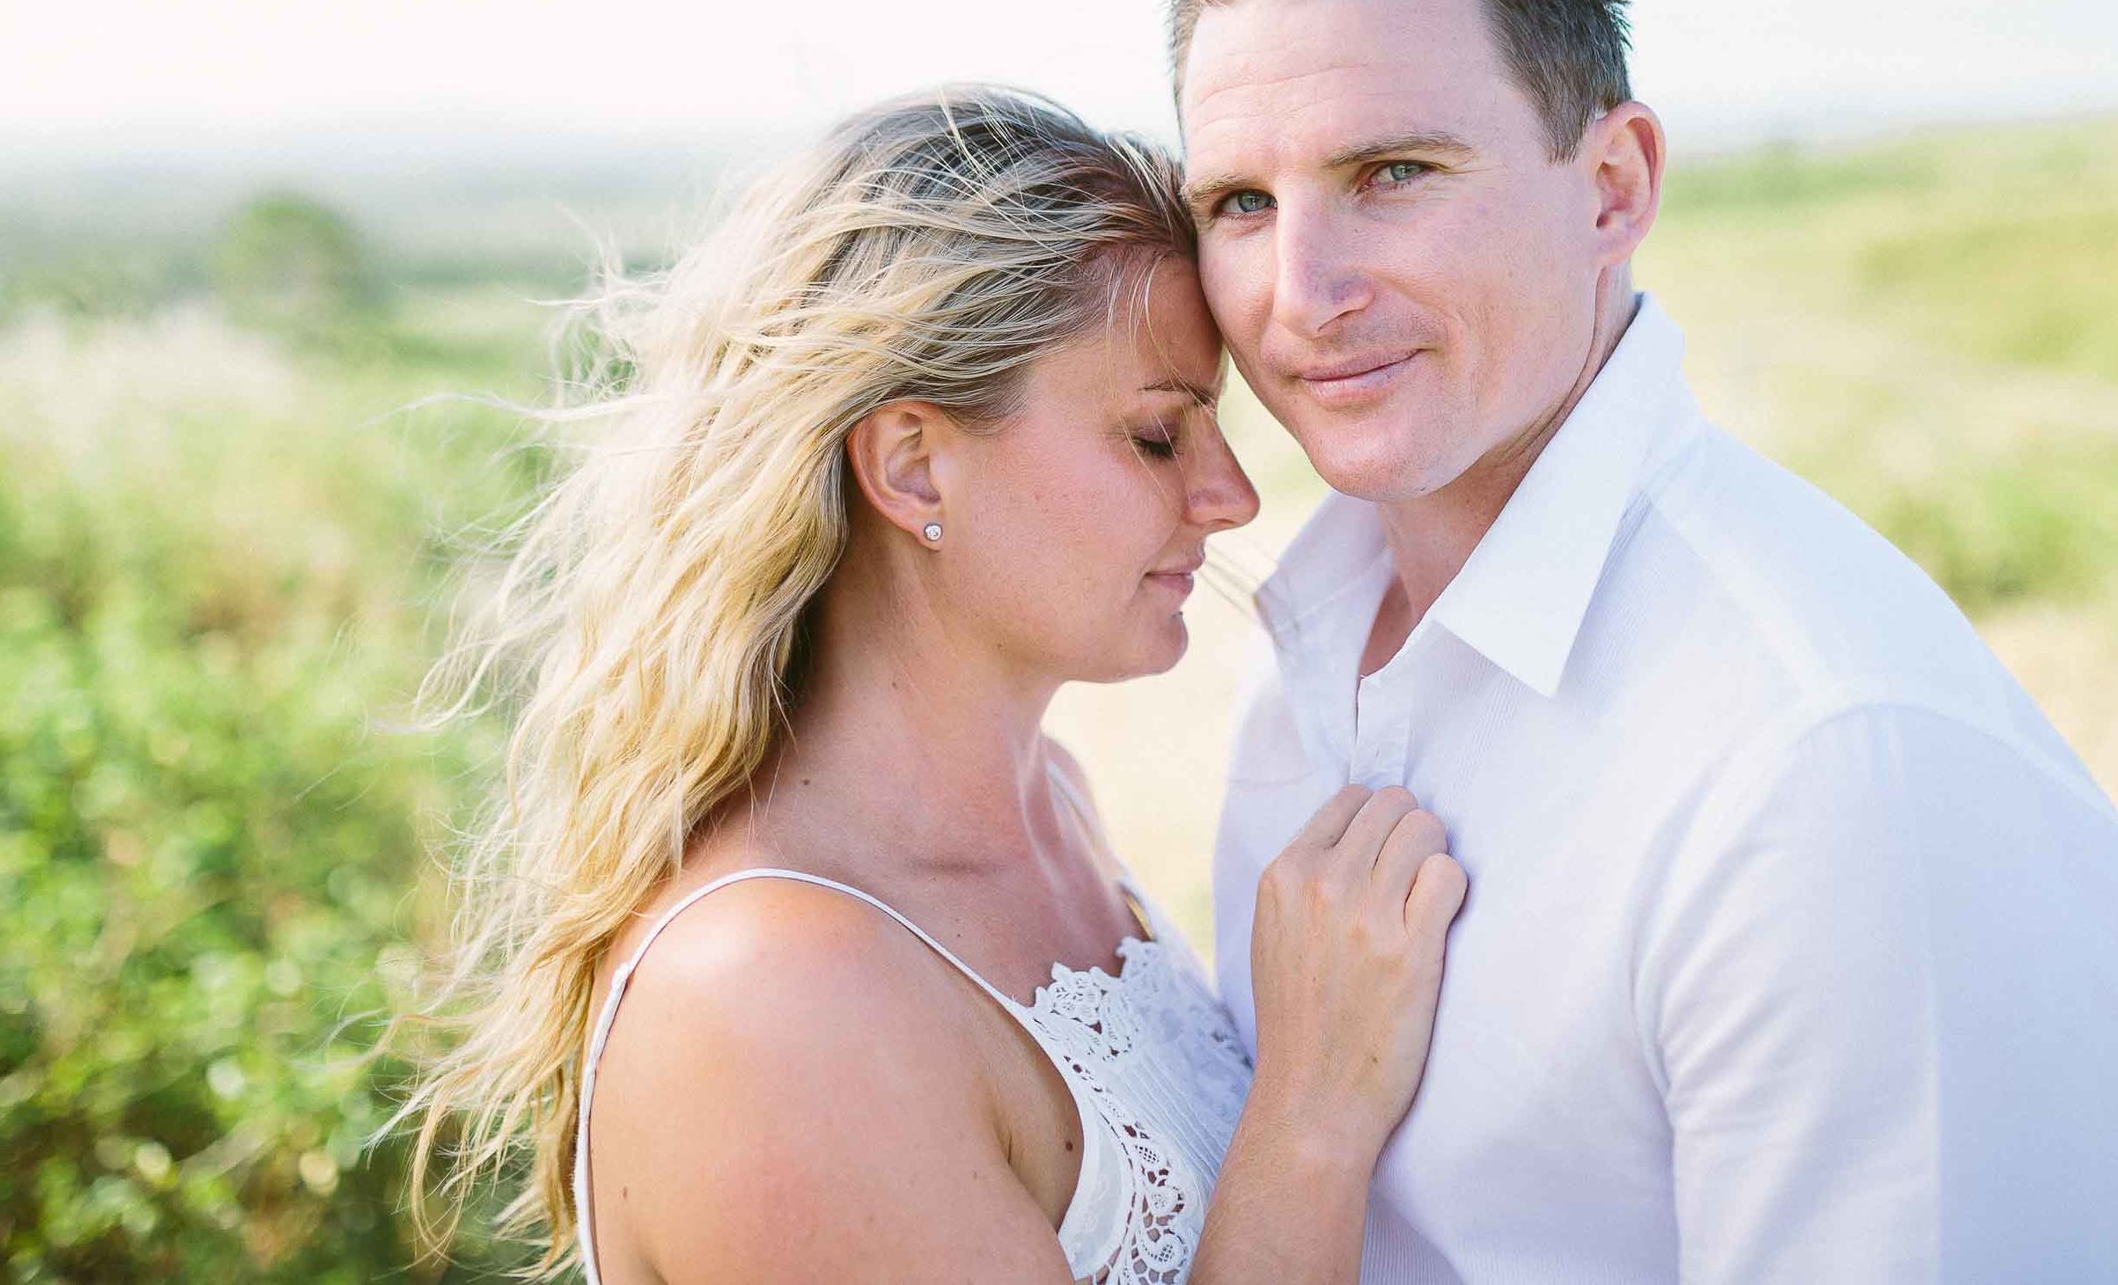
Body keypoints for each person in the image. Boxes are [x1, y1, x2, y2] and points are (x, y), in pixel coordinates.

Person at [1179, 0, 2118, 1283]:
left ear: (1614, 185)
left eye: (1393, 173)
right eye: (1240, 204)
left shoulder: (1831, 763)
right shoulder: (1303, 644)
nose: (1300, 293)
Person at [389, 89, 1468, 1284]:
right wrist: (1314, 1114)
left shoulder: (1048, 805)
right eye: (1159, 436)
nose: (1229, 496)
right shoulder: (773, 1001)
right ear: (912, 465)